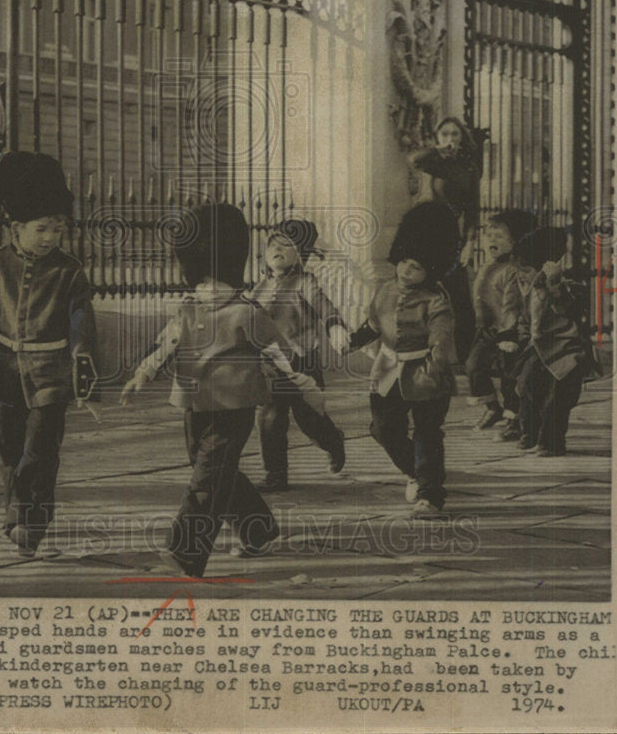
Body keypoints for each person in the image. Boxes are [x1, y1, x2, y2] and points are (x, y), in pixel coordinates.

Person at [120, 203, 325, 578]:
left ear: (231, 279)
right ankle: (258, 528)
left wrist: (304, 383)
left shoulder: (247, 313)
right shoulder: (188, 309)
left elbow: (278, 352)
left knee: (207, 477)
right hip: (194, 402)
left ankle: (187, 551)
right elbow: (165, 344)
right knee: (213, 468)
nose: (206, 290)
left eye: (214, 284)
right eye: (200, 283)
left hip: (236, 405)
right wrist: (143, 375)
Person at [0, 152, 98, 558]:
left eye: (58, 230)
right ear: (16, 227)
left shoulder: (70, 271)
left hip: (52, 378)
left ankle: (31, 521)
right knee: (10, 453)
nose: (51, 238)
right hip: (5, 374)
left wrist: (84, 378)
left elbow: (83, 326)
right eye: (42, 229)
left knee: (40, 454)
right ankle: (18, 517)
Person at [347, 202, 459, 517]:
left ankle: (430, 496)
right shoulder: (385, 290)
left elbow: (440, 335)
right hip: (387, 369)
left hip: (425, 371)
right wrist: (352, 342)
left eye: (417, 268)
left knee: (427, 433)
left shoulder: (436, 300)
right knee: (383, 429)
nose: (407, 271)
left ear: (432, 270)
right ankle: (416, 472)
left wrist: (437, 366)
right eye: (404, 263)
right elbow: (373, 324)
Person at [246, 219, 350, 492]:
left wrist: (335, 327)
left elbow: (325, 308)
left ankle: (332, 440)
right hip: (270, 365)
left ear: (300, 256)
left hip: (303, 363)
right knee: (269, 419)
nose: (277, 250)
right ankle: (275, 475)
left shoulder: (305, 283)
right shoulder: (258, 288)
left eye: (286, 246)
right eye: (273, 245)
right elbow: (245, 319)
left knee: (310, 420)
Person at [508, 227, 593, 456]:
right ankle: (530, 434)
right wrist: (522, 337)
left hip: (567, 348)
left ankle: (551, 442)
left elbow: (567, 308)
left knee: (558, 397)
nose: (521, 274)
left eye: (525, 269)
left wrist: (554, 285)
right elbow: (525, 319)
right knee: (526, 387)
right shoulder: (527, 290)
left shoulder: (564, 284)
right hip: (539, 348)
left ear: (544, 266)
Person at [409, 116, 481, 362]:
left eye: (455, 134)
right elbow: (414, 159)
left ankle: (467, 359)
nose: (450, 139)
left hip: (451, 237)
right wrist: (437, 150)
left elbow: (473, 210)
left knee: (461, 301)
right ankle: (414, 355)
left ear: (462, 138)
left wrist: (470, 243)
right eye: (445, 134)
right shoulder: (431, 162)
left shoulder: (469, 167)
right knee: (416, 295)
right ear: (438, 137)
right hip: (422, 235)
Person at [465, 208, 535, 435]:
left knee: (509, 377)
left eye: (500, 236)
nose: (492, 240)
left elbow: (512, 304)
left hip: (507, 332)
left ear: (515, 241)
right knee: (473, 367)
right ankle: (492, 407)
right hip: (485, 329)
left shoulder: (512, 270)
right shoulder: (486, 266)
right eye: (489, 235)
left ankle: (514, 419)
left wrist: (509, 334)